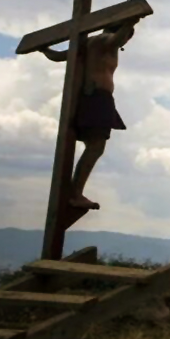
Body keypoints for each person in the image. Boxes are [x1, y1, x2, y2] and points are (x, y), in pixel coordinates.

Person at [40, 19, 139, 210]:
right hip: (97, 98)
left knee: (93, 146)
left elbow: (60, 56)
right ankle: (75, 194)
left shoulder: (86, 43)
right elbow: (116, 39)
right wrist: (131, 21)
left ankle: (74, 192)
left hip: (90, 96)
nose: (127, 41)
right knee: (96, 147)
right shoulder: (105, 39)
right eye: (128, 36)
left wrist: (44, 50)